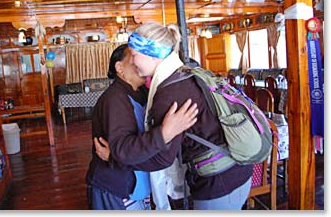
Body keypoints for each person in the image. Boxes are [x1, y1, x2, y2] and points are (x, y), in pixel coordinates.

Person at [124, 22, 253, 210]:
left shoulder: (168, 92)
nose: (131, 62)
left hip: (218, 183)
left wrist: (118, 157)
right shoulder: (185, 74)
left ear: (151, 54)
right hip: (238, 168)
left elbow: (162, 158)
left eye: (134, 55)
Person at [86, 44, 198, 210]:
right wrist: (165, 133)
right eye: (132, 58)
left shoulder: (142, 93)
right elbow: (124, 149)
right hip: (115, 186)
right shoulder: (114, 100)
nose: (139, 62)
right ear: (119, 68)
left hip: (137, 182)